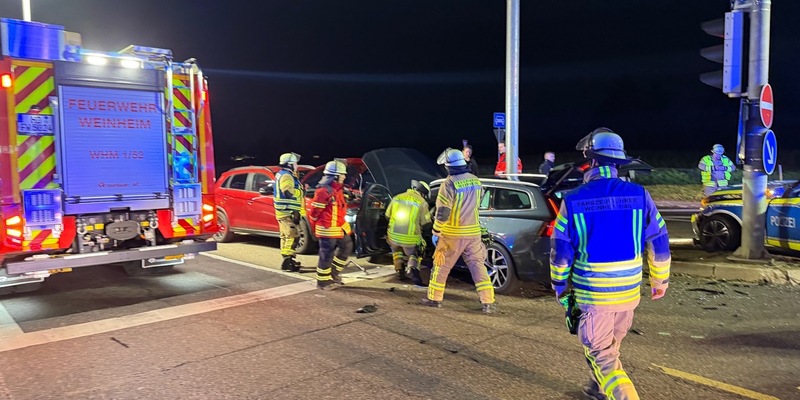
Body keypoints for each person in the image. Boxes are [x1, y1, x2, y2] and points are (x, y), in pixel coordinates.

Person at [550, 127, 670, 400]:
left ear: (591, 160)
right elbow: (660, 241)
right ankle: (598, 388)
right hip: (628, 295)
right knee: (610, 347)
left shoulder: (574, 199)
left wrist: (559, 286)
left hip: (594, 296)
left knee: (600, 353)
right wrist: (659, 281)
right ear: (618, 163)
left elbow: (561, 253)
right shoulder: (640, 195)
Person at [422, 148, 496, 313]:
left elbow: (443, 212)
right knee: (478, 266)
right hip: (473, 233)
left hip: (452, 234)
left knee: (441, 266)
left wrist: (436, 231)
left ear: (448, 166)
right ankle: (488, 301)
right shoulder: (476, 181)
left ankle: (435, 299)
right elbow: (479, 203)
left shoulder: (449, 183)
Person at [308, 160, 353, 290]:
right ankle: (322, 281)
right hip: (327, 228)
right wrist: (315, 227)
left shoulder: (338, 189)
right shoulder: (323, 191)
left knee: (347, 246)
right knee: (327, 254)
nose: (344, 176)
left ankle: (333, 272)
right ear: (335, 176)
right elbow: (314, 212)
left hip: (339, 226)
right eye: (342, 174)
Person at [385, 180, 432, 286]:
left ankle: (399, 269)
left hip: (393, 236)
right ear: (422, 193)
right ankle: (412, 270)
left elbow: (387, 216)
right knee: (417, 250)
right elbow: (426, 224)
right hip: (410, 240)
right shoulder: (422, 202)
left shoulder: (397, 198)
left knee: (396, 249)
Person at [274, 152, 305, 272]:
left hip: (283, 210)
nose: (297, 165)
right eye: (295, 163)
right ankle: (287, 262)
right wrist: (301, 192)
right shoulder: (287, 176)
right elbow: (287, 192)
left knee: (285, 236)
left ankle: (288, 260)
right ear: (289, 164)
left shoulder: (282, 174)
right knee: (293, 236)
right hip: (287, 211)